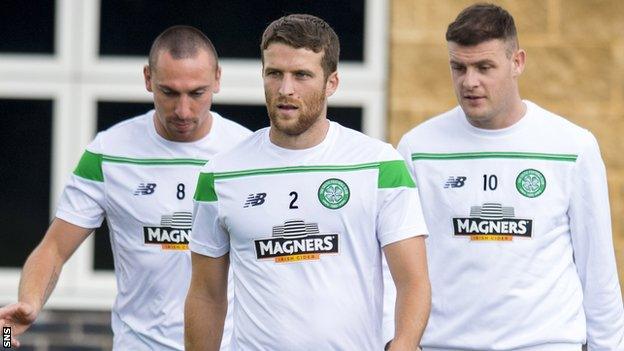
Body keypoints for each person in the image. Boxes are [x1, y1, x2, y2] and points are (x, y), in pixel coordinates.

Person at [185, 14, 430, 351]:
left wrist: (403, 344)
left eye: (301, 75)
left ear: (332, 83)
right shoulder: (220, 174)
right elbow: (206, 295)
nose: (286, 89)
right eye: (274, 74)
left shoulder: (380, 164)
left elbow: (413, 282)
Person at [0, 25, 251, 350]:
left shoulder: (246, 154)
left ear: (217, 79)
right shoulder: (109, 152)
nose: (183, 110)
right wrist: (30, 303)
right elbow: (54, 249)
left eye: (197, 93)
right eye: (169, 92)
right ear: (148, 79)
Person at [397, 3, 624, 350]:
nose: (469, 82)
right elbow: (397, 268)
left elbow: (598, 273)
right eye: (458, 67)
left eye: (484, 67)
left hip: (544, 343)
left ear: (517, 62)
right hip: (447, 344)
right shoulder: (418, 148)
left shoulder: (572, 146)